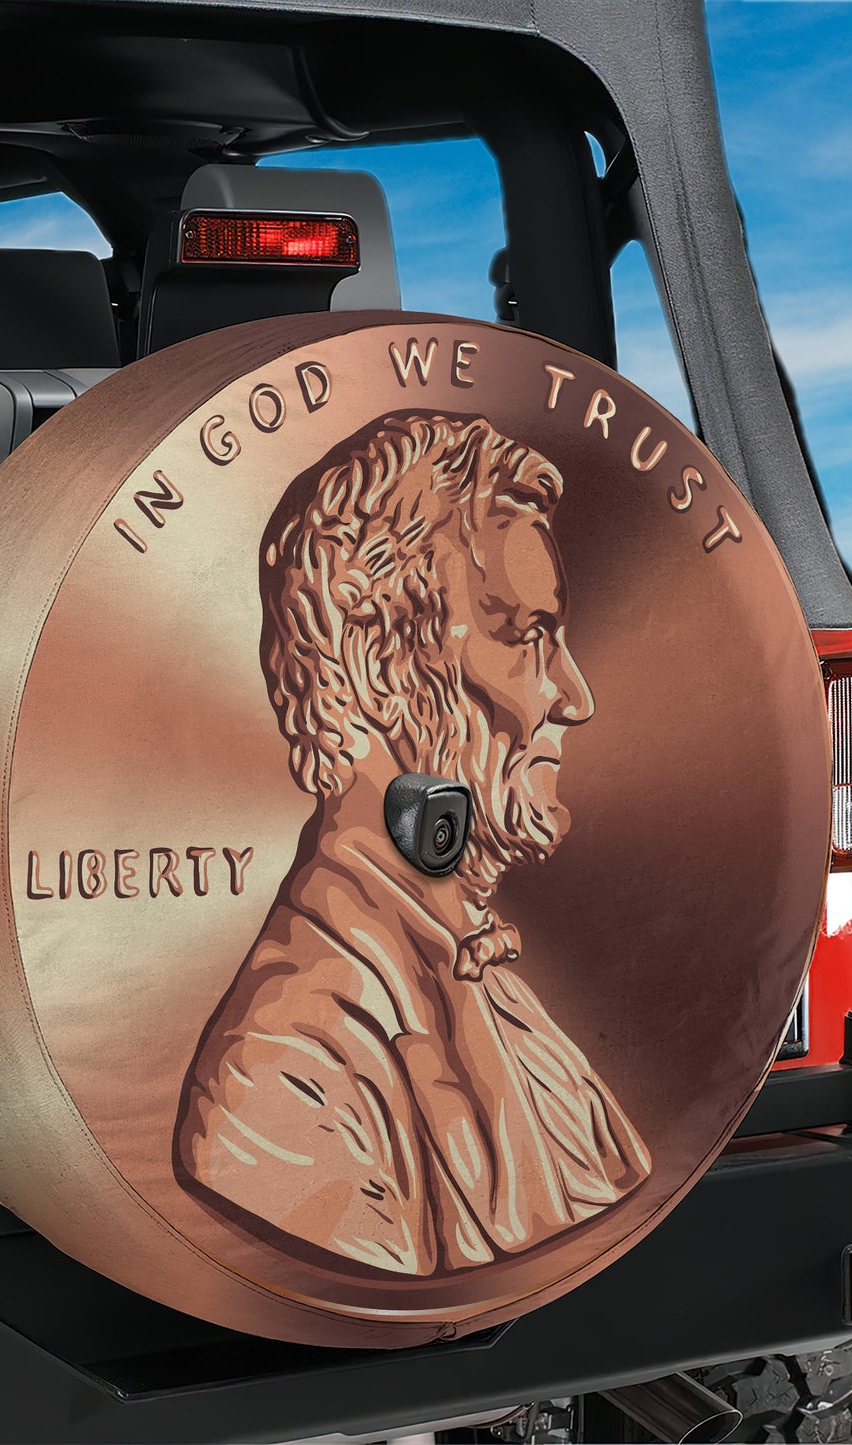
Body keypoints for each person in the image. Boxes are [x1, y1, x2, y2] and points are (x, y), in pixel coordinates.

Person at [175, 413, 650, 1278]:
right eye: (524, 634)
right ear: (368, 653)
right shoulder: (289, 1072)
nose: (574, 696)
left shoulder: (502, 994)